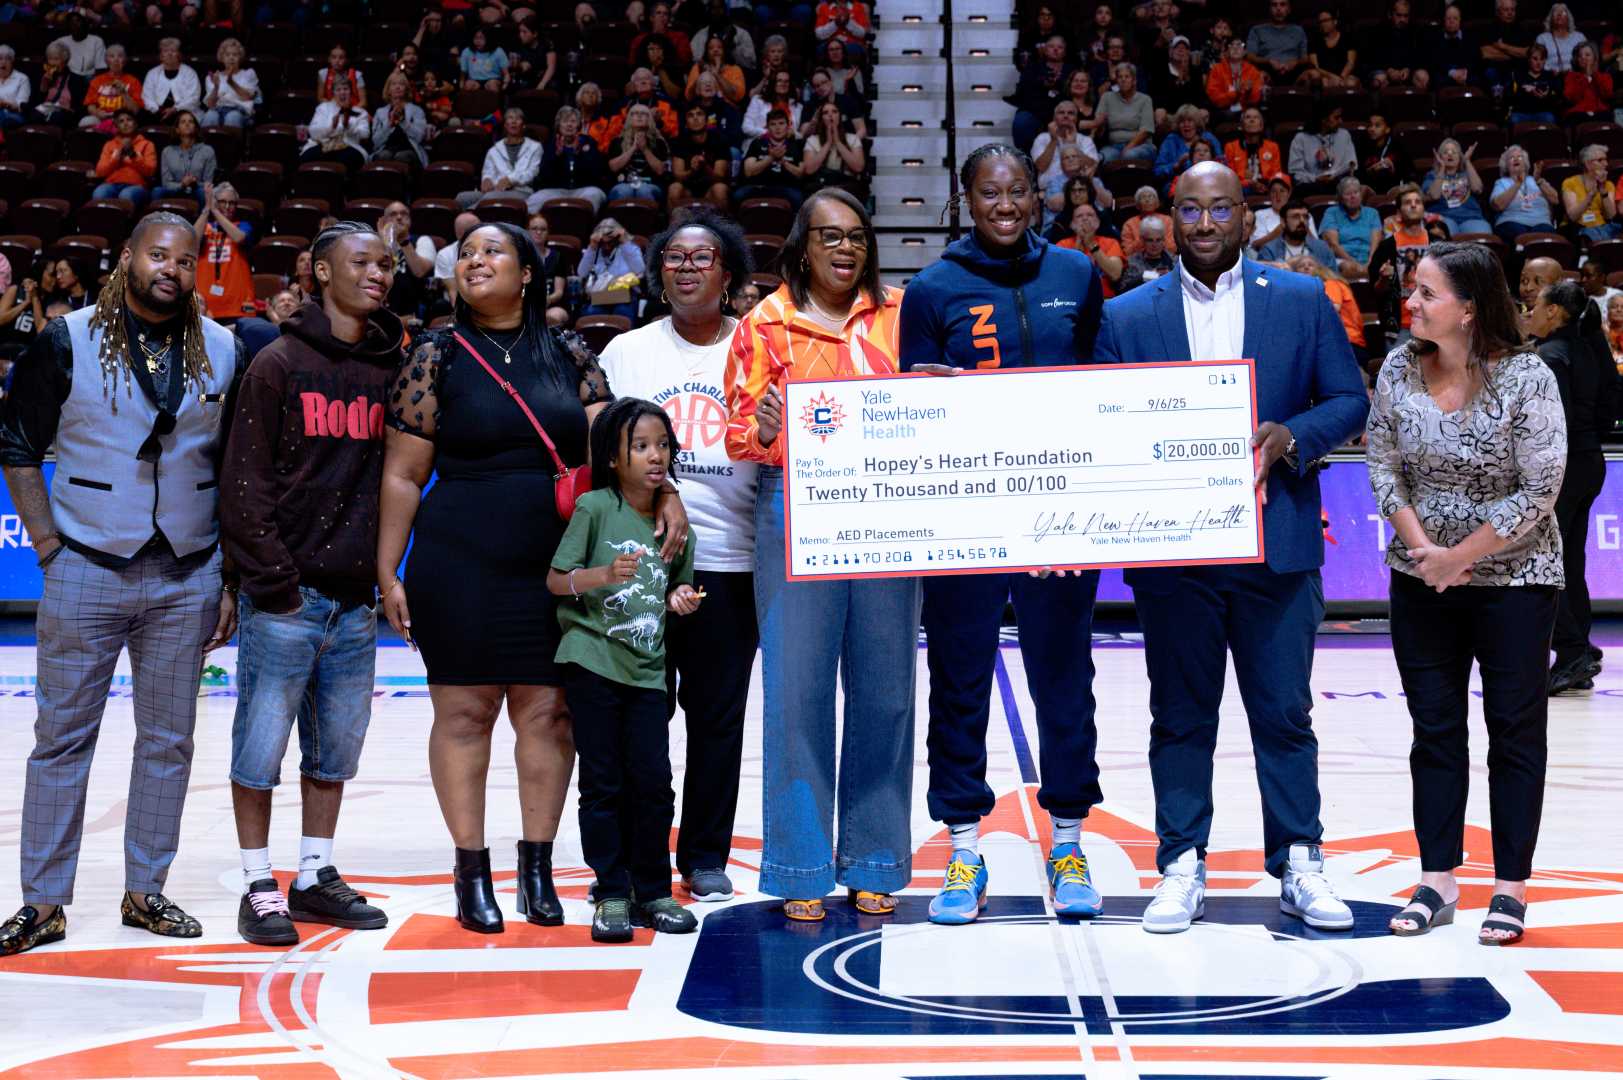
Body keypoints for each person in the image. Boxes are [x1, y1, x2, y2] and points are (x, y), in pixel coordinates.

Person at [378, 221, 688, 934]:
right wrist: (385, 569)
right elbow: (401, 472)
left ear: (527, 274)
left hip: (557, 560)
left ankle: (538, 871)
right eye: (467, 253)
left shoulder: (569, 352)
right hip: (458, 557)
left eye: (493, 251)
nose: (474, 260)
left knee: (549, 715)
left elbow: (619, 452)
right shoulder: (436, 352)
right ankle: (471, 871)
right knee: (463, 713)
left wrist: (664, 490)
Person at [1094, 161, 1369, 934]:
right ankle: (1181, 862)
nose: (1206, 223)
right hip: (1174, 558)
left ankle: (1299, 861)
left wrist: (1292, 436)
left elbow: (1348, 399)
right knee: (1179, 717)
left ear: (1248, 219)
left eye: (1221, 209)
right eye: (1191, 209)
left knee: (1282, 715)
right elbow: (1101, 424)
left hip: (1274, 546)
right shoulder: (1127, 315)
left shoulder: (1302, 299)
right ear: (1167, 221)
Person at [0, 212, 243, 957]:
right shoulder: (65, 339)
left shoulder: (228, 347)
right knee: (61, 740)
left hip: (187, 570)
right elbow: (14, 443)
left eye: (185, 257)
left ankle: (147, 891)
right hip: (85, 563)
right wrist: (46, 543)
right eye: (157, 253)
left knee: (168, 742)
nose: (171, 266)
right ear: (127, 257)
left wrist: (227, 575)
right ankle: (43, 903)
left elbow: (233, 467)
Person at [896, 145, 1107, 924]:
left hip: (1059, 522)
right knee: (958, 680)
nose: (1006, 204)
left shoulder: (1077, 274)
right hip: (965, 522)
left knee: (1064, 677)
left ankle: (1068, 838)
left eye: (1018, 189)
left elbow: (1104, 384)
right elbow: (912, 410)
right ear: (967, 199)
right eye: (990, 192)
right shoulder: (931, 289)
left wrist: (1082, 511)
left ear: (1037, 192)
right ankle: (962, 850)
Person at [724, 188, 915, 923]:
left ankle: (874, 858)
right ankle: (800, 863)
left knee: (886, 691)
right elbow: (739, 434)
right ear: (802, 246)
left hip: (891, 509)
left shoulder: (900, 313)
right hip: (794, 506)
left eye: (857, 237)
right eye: (829, 237)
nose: (844, 249)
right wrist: (762, 423)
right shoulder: (763, 325)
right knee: (795, 692)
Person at [1366, 242, 1565, 945]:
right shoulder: (1397, 365)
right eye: (1411, 291)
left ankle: (1508, 888)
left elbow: (1539, 489)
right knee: (1434, 729)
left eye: (1424, 293)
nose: (1410, 303)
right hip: (1420, 576)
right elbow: (1384, 463)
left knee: (1514, 730)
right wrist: (1425, 552)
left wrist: (1460, 557)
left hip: (1514, 579)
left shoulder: (1528, 378)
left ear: (1470, 308)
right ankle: (1436, 878)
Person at [221, 222, 402, 946]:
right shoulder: (277, 362)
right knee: (258, 755)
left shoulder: (394, 367)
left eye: (387, 263)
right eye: (362, 262)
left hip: (357, 603)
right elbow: (243, 484)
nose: (379, 273)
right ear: (320, 272)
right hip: (286, 597)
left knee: (334, 756)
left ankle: (315, 875)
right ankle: (257, 885)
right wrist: (274, 582)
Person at [597, 208, 758, 905]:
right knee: (640, 715)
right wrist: (661, 489)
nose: (687, 268)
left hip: (734, 560)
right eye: (674, 258)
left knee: (717, 720)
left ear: (728, 275)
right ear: (658, 272)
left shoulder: (759, 345)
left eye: (703, 258)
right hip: (642, 568)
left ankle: (703, 854)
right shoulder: (627, 352)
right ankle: (639, 859)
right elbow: (601, 460)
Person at [546, 398, 701, 942]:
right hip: (592, 662)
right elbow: (555, 581)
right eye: (640, 446)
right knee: (604, 782)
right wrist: (601, 574)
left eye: (662, 445)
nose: (655, 456)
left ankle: (653, 889)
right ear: (613, 457)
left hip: (648, 671)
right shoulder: (594, 508)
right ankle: (611, 892)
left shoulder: (675, 524)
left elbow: (678, 581)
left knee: (655, 784)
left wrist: (682, 597)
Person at [1525, 280, 1610, 694]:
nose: (1531, 312)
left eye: (1536, 306)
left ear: (1554, 312)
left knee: (1543, 562)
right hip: (1592, 461)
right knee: (1569, 561)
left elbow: (1548, 428)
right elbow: (1613, 403)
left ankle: (1572, 650)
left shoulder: (1552, 356)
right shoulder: (1589, 347)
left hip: (1563, 468)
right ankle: (1583, 649)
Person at [1370, 183, 1446, 346]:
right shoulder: (1386, 247)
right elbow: (1376, 291)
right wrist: (1384, 279)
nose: (1413, 205)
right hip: (1399, 327)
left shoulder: (1439, 245)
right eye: (1407, 202)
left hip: (1435, 324)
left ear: (1423, 210)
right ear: (1398, 213)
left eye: (1418, 202)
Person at [194, 182, 254, 322]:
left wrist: (215, 211)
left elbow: (238, 237)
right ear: (214, 201)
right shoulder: (205, 227)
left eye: (232, 203)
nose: (227, 207)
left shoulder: (243, 226)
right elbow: (192, 241)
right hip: (205, 306)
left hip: (238, 305)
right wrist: (207, 210)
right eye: (222, 202)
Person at [532, 105, 609, 213]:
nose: (569, 125)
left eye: (573, 121)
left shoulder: (589, 142)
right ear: (559, 125)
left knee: (594, 194)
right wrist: (557, 156)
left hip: (583, 189)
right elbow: (544, 176)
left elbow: (596, 173)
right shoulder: (550, 144)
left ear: (578, 125)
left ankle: (587, 227)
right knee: (534, 200)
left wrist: (579, 155)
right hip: (555, 190)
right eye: (565, 121)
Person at [380, 201, 437, 326]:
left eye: (404, 214)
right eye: (393, 214)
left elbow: (420, 271)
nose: (399, 217)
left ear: (409, 220)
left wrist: (404, 241)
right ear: (384, 221)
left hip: (413, 314)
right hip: (381, 311)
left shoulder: (422, 241)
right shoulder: (376, 244)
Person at [578, 217, 645, 321]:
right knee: (592, 313)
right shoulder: (594, 251)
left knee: (622, 314)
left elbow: (640, 269)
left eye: (610, 242)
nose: (607, 246)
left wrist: (624, 242)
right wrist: (592, 247)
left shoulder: (629, 249)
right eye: (603, 243)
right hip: (599, 296)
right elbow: (581, 273)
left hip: (625, 296)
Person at [1489, 145, 1560, 243]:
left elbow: (1555, 199)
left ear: (1525, 163)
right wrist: (1517, 184)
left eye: (1520, 157)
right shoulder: (1502, 182)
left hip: (1541, 222)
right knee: (1519, 234)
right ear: (1506, 165)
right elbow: (1497, 205)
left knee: (1543, 234)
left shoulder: (1537, 180)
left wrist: (1539, 181)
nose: (1516, 159)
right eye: (1511, 157)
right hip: (1512, 222)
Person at [1422, 139, 1491, 237]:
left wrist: (1467, 161)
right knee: (1444, 236)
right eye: (1445, 152)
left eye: (1454, 152)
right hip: (1444, 217)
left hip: (1471, 217)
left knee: (1483, 236)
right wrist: (1441, 169)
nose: (1450, 155)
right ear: (1439, 157)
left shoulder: (1467, 174)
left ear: (1459, 157)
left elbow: (1478, 189)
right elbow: (1434, 195)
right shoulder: (1432, 176)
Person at [738, 109, 806, 208]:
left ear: (788, 126)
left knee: (799, 198)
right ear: (767, 127)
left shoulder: (796, 145)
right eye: (773, 124)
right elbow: (748, 171)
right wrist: (771, 158)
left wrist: (783, 162)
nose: (777, 128)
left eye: (781, 123)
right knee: (737, 196)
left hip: (786, 188)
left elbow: (800, 173)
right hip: (758, 187)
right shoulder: (757, 143)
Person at [670, 100, 732, 208]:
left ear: (707, 120)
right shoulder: (679, 141)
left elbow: (720, 177)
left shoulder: (720, 140)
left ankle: (723, 224)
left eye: (699, 114)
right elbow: (678, 176)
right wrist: (692, 170)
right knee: (674, 188)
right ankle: (674, 224)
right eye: (690, 115)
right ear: (686, 122)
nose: (695, 118)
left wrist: (705, 167)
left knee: (720, 188)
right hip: (688, 191)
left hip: (710, 189)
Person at [299, 79, 370, 172]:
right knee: (307, 158)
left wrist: (347, 126)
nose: (342, 93)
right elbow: (313, 131)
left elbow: (365, 134)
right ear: (333, 93)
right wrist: (331, 127)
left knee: (350, 160)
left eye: (345, 89)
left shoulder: (360, 112)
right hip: (322, 145)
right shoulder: (323, 108)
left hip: (349, 146)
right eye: (338, 90)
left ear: (351, 92)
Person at [607, 102, 670, 204]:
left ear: (649, 119)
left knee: (644, 191)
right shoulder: (617, 141)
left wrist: (645, 149)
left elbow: (660, 170)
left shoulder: (659, 142)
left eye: (644, 113)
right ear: (629, 119)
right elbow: (613, 167)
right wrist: (633, 148)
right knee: (623, 191)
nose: (639, 115)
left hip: (650, 184)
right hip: (624, 183)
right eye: (635, 113)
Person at [92, 109, 157, 207]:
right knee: (99, 193)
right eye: (121, 121)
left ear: (135, 124)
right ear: (117, 127)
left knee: (126, 195)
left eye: (129, 120)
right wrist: (116, 158)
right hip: (111, 184)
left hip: (136, 186)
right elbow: (100, 171)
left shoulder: (147, 144)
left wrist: (132, 155)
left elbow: (150, 171)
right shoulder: (109, 145)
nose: (125, 123)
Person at [1286, 104, 1355, 196]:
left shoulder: (1344, 135)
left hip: (1339, 185)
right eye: (1336, 118)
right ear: (1323, 120)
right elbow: (1295, 174)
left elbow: (1351, 165)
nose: (1341, 121)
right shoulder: (1301, 139)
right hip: (1311, 186)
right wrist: (1315, 178)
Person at [1033, 100, 1100, 193]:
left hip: (1078, 189)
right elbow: (1041, 166)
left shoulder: (1085, 140)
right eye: (1061, 113)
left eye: (1071, 113)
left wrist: (1072, 145)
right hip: (1049, 190)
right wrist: (1053, 140)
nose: (1066, 116)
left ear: (1076, 119)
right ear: (1054, 118)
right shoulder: (1042, 138)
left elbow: (1092, 165)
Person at [1060, 202, 1125, 296]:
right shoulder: (1062, 244)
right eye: (1079, 216)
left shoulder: (1111, 242)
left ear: (1098, 222)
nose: (1085, 218)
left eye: (1090, 215)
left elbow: (1115, 274)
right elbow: (1064, 278)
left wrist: (1091, 244)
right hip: (1072, 298)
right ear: (1072, 224)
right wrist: (1078, 246)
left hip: (1104, 298)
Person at [1320, 175, 1380, 277]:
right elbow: (1333, 245)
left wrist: (1370, 261)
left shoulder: (1372, 213)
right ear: (1341, 198)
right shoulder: (1331, 213)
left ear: (1361, 195)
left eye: (1356, 192)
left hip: (1368, 258)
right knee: (1349, 268)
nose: (1353, 197)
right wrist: (1355, 263)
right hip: (1342, 259)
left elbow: (1376, 242)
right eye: (1347, 194)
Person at [800, 100, 865, 193]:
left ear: (840, 116)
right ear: (821, 119)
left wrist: (838, 142)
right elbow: (809, 169)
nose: (830, 115)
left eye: (834, 111)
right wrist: (828, 143)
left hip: (846, 187)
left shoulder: (853, 138)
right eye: (825, 113)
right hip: (821, 186)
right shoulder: (812, 140)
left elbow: (858, 167)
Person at [369, 72, 429, 173]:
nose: (397, 87)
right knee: (384, 155)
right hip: (386, 149)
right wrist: (389, 124)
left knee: (401, 156)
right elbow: (376, 143)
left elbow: (419, 137)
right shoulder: (380, 112)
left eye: (401, 84)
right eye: (393, 84)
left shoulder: (417, 110)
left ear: (406, 89)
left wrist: (403, 121)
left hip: (410, 149)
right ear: (388, 90)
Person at [1096, 62, 1156, 163]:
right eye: (1120, 77)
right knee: (1099, 158)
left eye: (1127, 76)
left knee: (1129, 155)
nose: (1123, 80)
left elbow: (1146, 130)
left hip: (1141, 146)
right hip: (1114, 147)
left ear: (1134, 81)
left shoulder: (1145, 99)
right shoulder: (1107, 97)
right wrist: (1100, 125)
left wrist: (1127, 148)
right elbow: (1098, 124)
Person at [1364, 0, 1430, 90]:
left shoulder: (1416, 31)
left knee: (1423, 77)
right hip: (1384, 70)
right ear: (1390, 15)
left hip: (1408, 71)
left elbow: (1420, 56)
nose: (1402, 19)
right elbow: (1374, 57)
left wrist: (1408, 68)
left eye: (1405, 16)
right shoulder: (1378, 31)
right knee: (1380, 79)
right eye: (1398, 15)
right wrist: (1389, 70)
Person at [152, 109, 215, 203]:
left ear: (196, 128)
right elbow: (166, 183)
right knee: (157, 191)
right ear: (177, 129)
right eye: (183, 122)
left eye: (191, 121)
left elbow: (208, 183)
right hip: (175, 190)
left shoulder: (207, 151)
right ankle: (156, 218)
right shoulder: (167, 151)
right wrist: (182, 184)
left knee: (203, 192)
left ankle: (203, 217)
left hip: (197, 190)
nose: (187, 124)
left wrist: (195, 183)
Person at [1561, 145, 1620, 243]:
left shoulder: (1608, 185)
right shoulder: (1570, 182)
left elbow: (1611, 216)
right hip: (1578, 228)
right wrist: (1591, 195)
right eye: (1600, 160)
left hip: (1602, 227)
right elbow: (1573, 216)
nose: (1606, 164)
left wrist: (1602, 190)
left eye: (1606, 160)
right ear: (1587, 164)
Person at [1257, 199, 1336, 270]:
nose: (1302, 221)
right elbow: (1262, 282)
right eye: (1295, 217)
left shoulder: (1322, 248)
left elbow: (1334, 279)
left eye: (1305, 217)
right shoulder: (1269, 250)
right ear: (1283, 222)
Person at [1153, 104, 1220, 186]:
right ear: (1178, 124)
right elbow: (1157, 171)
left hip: (1208, 182)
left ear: (1197, 123)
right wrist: (1176, 165)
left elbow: (1221, 163)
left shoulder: (1209, 138)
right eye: (1182, 121)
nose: (1186, 125)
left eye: (1190, 121)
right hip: (1178, 186)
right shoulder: (1171, 140)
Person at [1246, 0, 1310, 84]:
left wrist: (1295, 62)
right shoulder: (1257, 30)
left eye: (1282, 4)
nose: (1278, 8)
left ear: (1288, 9)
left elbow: (1305, 58)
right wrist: (1269, 61)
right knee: (1260, 76)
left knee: (1314, 75)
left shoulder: (1298, 30)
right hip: (1267, 72)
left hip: (1295, 73)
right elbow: (1250, 57)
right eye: (1274, 5)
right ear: (1270, 9)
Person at [80, 43, 141, 131]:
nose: (116, 59)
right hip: (100, 118)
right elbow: (90, 105)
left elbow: (135, 110)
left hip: (122, 119)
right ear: (106, 61)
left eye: (120, 56)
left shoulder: (133, 81)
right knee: (85, 121)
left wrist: (124, 93)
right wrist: (97, 113)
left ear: (125, 60)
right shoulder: (97, 80)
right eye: (112, 56)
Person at [201, 37, 256, 129]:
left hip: (239, 111)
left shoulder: (248, 74)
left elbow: (248, 97)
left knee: (232, 117)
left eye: (235, 55)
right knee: (211, 116)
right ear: (222, 58)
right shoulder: (213, 77)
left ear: (240, 57)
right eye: (227, 55)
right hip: (217, 109)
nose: (231, 58)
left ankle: (231, 143)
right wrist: (216, 87)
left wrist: (231, 82)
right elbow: (210, 104)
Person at [142, 38, 200, 124]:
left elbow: (193, 98)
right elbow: (147, 97)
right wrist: (158, 110)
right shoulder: (152, 73)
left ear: (179, 54)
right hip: (157, 112)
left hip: (183, 112)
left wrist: (175, 109)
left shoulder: (189, 73)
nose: (169, 54)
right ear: (161, 56)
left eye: (173, 51)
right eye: (165, 51)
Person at [1224, 106, 1282, 194]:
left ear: (1261, 125)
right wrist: (1249, 183)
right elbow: (1229, 179)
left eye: (1256, 117)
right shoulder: (1231, 147)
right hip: (1241, 191)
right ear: (1242, 125)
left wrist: (1265, 186)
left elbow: (1277, 176)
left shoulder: (1273, 147)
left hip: (1267, 190)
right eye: (1248, 117)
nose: (1252, 120)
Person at [685, 33, 746, 108]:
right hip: (702, 109)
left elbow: (737, 96)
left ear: (724, 50)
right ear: (706, 52)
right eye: (711, 48)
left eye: (719, 47)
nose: (715, 50)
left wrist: (716, 74)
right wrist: (703, 74)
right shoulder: (697, 68)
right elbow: (689, 96)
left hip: (726, 110)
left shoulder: (735, 69)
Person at [1206, 37, 1264, 114]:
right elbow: (1215, 98)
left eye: (1239, 45)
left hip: (1247, 110)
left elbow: (1256, 98)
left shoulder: (1252, 70)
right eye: (1231, 45)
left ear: (1244, 52)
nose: (1235, 48)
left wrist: (1248, 92)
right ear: (1226, 52)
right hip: (1223, 111)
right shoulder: (1216, 69)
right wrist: (1236, 93)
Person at [1508, 42, 1562, 124]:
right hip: (1522, 112)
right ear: (1529, 59)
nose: (1539, 63)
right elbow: (1510, 98)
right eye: (1535, 59)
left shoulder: (1550, 75)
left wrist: (1548, 95)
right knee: (1514, 119)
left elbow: (1558, 97)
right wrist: (1523, 91)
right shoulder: (1518, 75)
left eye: (1542, 59)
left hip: (1542, 112)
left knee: (1550, 118)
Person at [32, 42, 83, 127]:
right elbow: (36, 101)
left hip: (65, 111)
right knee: (35, 115)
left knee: (56, 117)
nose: (52, 63)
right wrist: (44, 84)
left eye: (56, 59)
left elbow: (78, 106)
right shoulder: (43, 75)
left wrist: (70, 109)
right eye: (50, 59)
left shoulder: (75, 79)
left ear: (65, 60)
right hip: (46, 107)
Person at [1305, 9, 1359, 89]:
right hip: (1324, 75)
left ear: (1335, 21)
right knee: (1324, 83)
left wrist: (1341, 77)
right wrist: (1332, 77)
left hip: (1344, 74)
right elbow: (1315, 67)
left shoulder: (1347, 37)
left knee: (1350, 83)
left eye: (1326, 20)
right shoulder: (1314, 41)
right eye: (1320, 22)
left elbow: (1350, 62)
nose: (1323, 24)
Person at [1121, 214, 1178, 288]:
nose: (1154, 245)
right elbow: (1123, 289)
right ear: (1142, 240)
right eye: (1150, 240)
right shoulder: (1132, 262)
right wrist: (1144, 276)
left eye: (1158, 240)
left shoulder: (1175, 261)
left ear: (1164, 240)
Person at [1431, 5, 1479, 88]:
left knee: (1477, 79)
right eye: (1448, 18)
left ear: (1460, 20)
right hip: (1446, 74)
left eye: (1455, 18)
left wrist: (1465, 72)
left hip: (1465, 74)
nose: (1451, 21)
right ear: (1444, 20)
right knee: (1437, 80)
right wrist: (1452, 73)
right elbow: (1435, 62)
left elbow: (1476, 59)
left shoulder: (1470, 37)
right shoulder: (1436, 38)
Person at [1120, 185, 1176, 256]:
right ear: (1137, 205)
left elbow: (1173, 247)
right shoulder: (1129, 224)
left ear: (1157, 203)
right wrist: (1142, 240)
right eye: (1143, 197)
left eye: (1151, 196)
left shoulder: (1168, 220)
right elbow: (1127, 252)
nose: (1147, 200)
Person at [1534, 2, 1585, 73]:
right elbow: (1536, 60)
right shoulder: (1542, 38)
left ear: (1568, 18)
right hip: (1549, 77)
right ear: (1550, 19)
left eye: (1563, 12)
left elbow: (1587, 59)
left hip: (1575, 76)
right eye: (1555, 12)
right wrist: (1549, 71)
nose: (1559, 14)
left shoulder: (1579, 37)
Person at [1563, 42, 1611, 116]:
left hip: (1600, 112)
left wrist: (1593, 76)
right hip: (1578, 113)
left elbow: (1606, 96)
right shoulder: (1571, 77)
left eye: (1587, 55)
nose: (1583, 58)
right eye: (1580, 56)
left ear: (1595, 58)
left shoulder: (1605, 77)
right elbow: (1573, 99)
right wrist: (1584, 78)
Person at [460, 27, 510, 93]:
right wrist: (461, 87)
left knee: (492, 86)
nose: (478, 41)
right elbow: (463, 74)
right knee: (469, 85)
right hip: (474, 80)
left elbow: (506, 74)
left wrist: (504, 86)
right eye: (476, 38)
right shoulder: (467, 51)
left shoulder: (498, 51)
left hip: (493, 79)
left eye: (481, 38)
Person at [316, 43, 365, 109]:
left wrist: (349, 111)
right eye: (334, 57)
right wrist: (334, 109)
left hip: (353, 110)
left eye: (341, 57)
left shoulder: (357, 75)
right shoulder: (323, 73)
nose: (337, 60)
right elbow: (320, 98)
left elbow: (363, 102)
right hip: (331, 109)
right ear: (329, 59)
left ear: (346, 60)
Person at [0, 46, 30, 128]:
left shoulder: (22, 78)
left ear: (12, 61)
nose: (3, 62)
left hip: (14, 115)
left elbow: (22, 106)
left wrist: (5, 104)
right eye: (0, 59)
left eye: (7, 59)